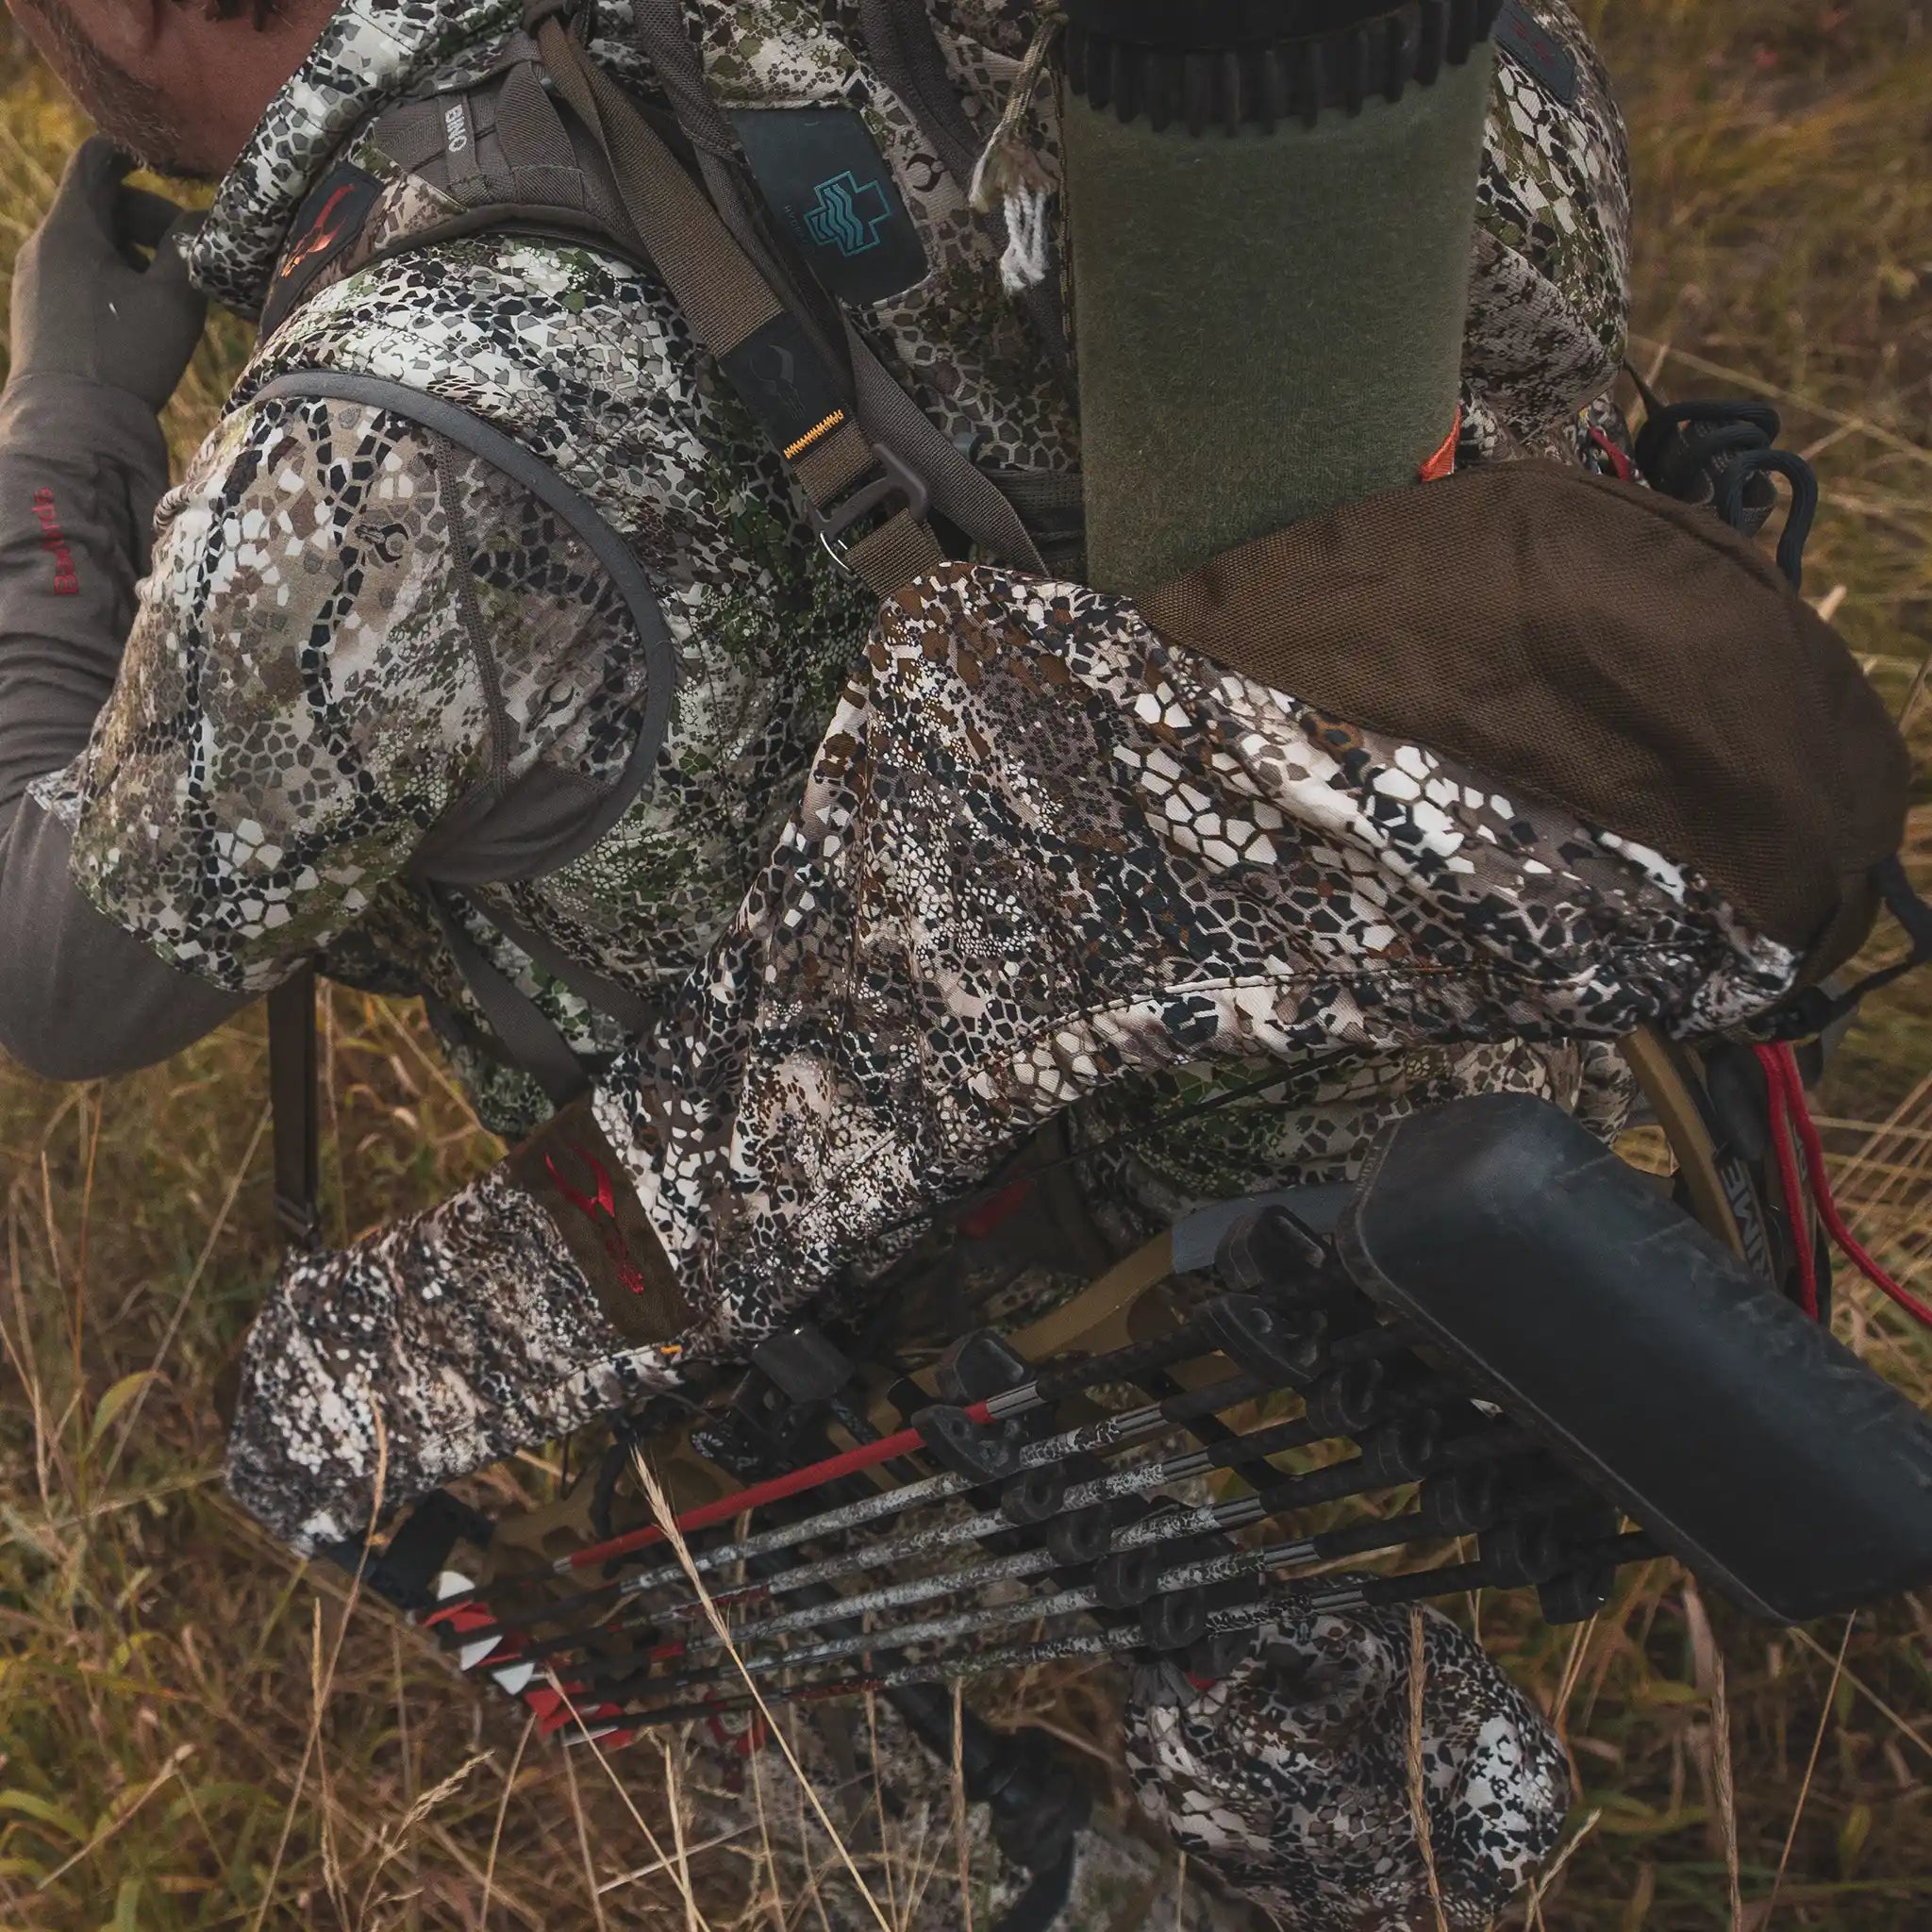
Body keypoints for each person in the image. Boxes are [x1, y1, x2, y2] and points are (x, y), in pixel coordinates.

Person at [0, 0, 1799, 1924]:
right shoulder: (835, 50)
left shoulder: (366, 449)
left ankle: (1041, 1857)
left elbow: (56, 968)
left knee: (321, 1427)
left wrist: (70, 442)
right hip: (1435, 1008)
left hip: (957, 1246)